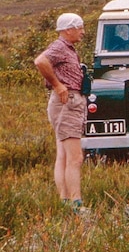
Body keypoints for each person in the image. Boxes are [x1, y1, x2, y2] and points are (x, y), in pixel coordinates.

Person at [34, 13, 89, 213]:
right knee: (75, 158)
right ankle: (76, 204)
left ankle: (65, 201)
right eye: (80, 27)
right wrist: (58, 85)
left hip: (67, 103)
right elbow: (40, 61)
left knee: (64, 156)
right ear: (68, 30)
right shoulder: (59, 47)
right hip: (67, 103)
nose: (83, 32)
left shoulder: (67, 49)